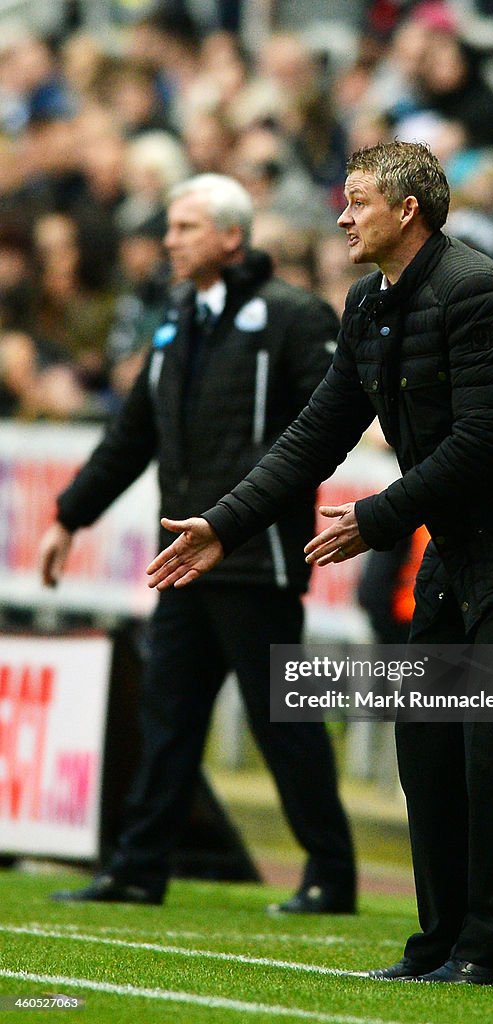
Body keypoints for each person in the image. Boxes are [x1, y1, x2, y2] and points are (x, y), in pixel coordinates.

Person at [145, 142, 493, 986]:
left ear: (409, 210)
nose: (341, 216)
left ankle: (491, 951)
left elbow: (481, 441)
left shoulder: (475, 291)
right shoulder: (369, 304)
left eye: (358, 199)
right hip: (463, 542)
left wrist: (374, 519)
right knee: (425, 744)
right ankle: (440, 942)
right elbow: (315, 432)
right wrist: (227, 524)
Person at [38, 173, 356, 914]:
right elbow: (131, 437)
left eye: (185, 228)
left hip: (257, 558)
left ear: (230, 236)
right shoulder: (175, 318)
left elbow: (327, 427)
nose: (169, 240)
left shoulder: (292, 318)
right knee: (168, 718)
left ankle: (331, 875)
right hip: (181, 558)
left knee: (283, 722)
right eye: (170, 228)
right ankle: (138, 868)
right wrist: (68, 516)